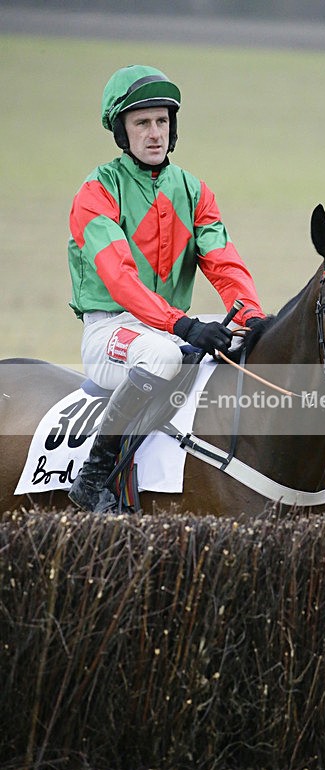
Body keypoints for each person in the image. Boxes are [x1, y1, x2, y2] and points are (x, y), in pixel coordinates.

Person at [67, 64, 265, 512]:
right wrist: (182, 324)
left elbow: (223, 263)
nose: (155, 133)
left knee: (241, 340)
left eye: (162, 121)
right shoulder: (97, 192)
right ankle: (94, 479)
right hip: (113, 331)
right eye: (142, 123)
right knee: (164, 355)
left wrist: (252, 316)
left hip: (170, 327)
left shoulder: (194, 191)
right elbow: (121, 280)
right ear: (122, 131)